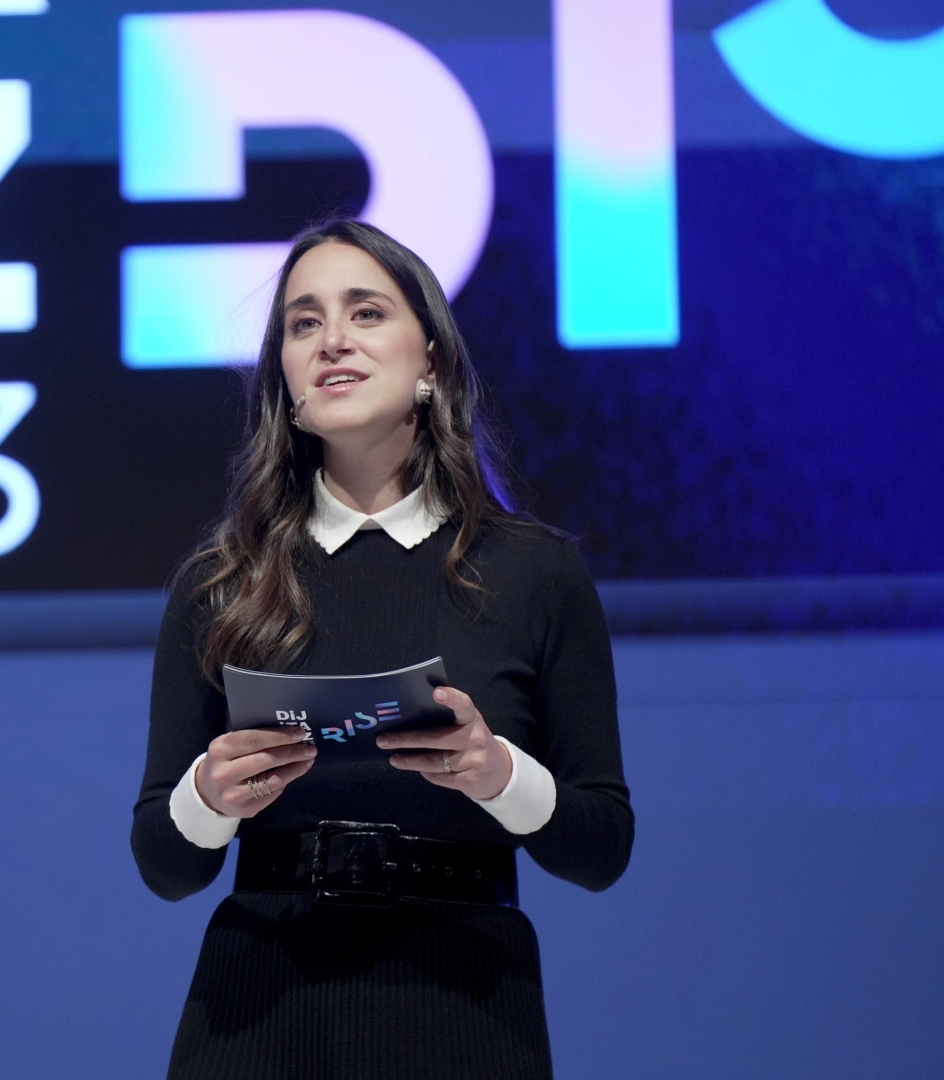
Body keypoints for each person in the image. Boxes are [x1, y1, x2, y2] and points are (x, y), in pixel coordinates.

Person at [131, 219, 633, 1079]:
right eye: (303, 322)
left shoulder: (533, 574)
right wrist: (209, 795)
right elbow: (164, 864)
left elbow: (601, 848)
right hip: (257, 1016)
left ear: (430, 360)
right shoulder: (220, 582)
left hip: (467, 1011)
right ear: (285, 377)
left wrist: (496, 773)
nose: (331, 340)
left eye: (365, 313)